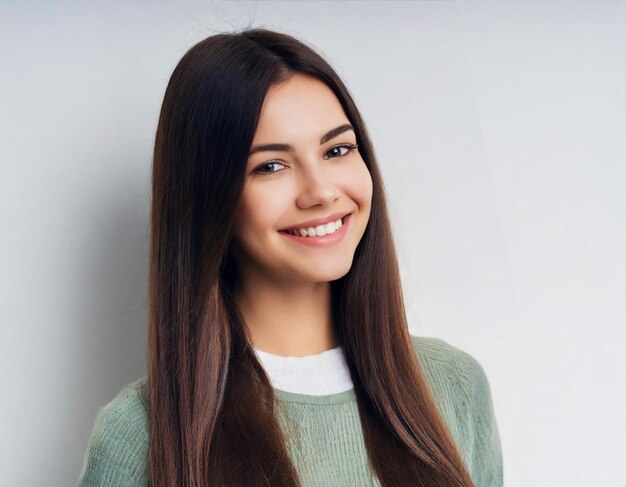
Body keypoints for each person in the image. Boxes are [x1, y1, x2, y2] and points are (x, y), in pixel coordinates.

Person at [77, 27, 503, 487]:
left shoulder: (454, 387)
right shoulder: (141, 433)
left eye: (337, 149)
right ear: (208, 197)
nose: (321, 192)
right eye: (270, 166)